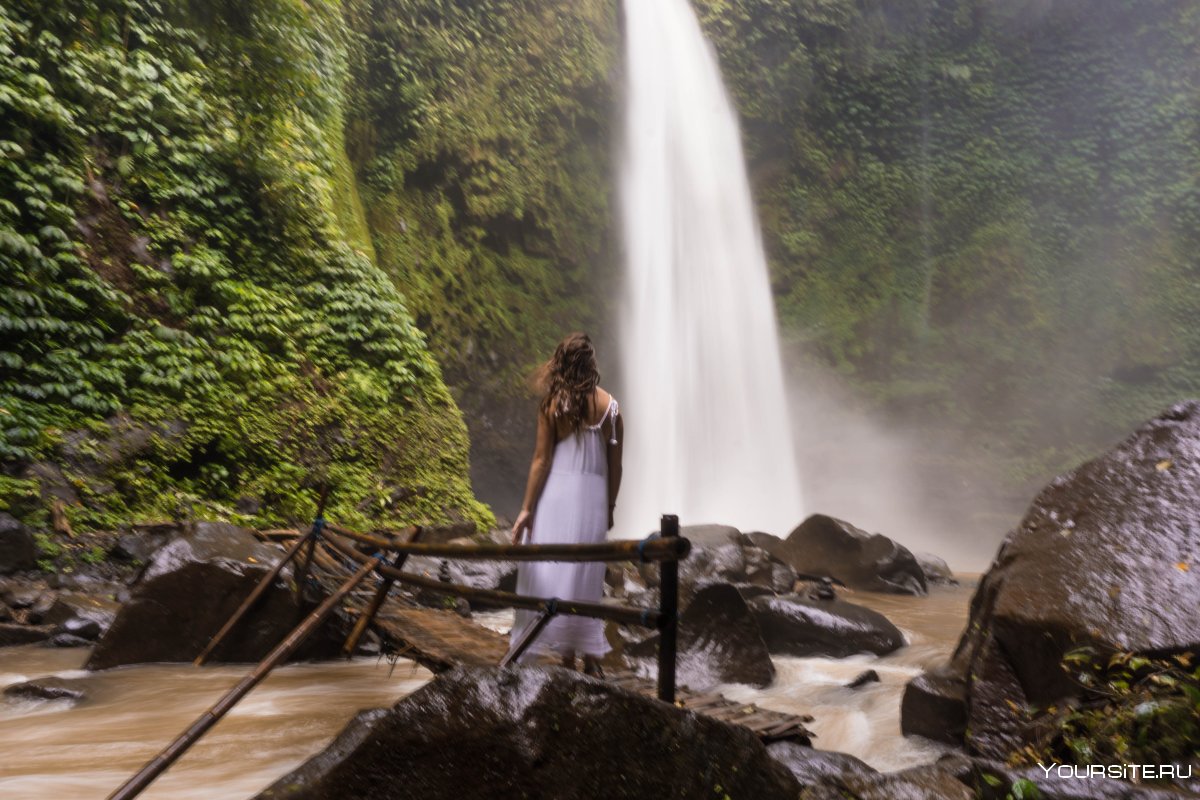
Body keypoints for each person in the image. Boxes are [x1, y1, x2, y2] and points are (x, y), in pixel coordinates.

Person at [508, 332, 623, 675]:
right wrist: (611, 507)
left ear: (561, 363)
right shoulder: (611, 408)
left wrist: (527, 509)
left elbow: (541, 461)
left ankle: (567, 654)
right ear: (591, 365)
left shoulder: (552, 405)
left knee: (552, 567)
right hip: (592, 498)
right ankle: (586, 655)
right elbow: (616, 465)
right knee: (584, 573)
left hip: (556, 495)